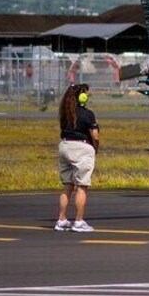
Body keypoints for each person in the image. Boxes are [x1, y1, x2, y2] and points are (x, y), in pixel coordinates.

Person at [56, 83, 99, 232]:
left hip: (64, 146)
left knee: (68, 185)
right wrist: (96, 146)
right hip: (81, 148)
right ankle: (79, 222)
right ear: (82, 97)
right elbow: (95, 135)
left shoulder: (64, 112)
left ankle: (61, 219)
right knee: (82, 186)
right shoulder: (87, 114)